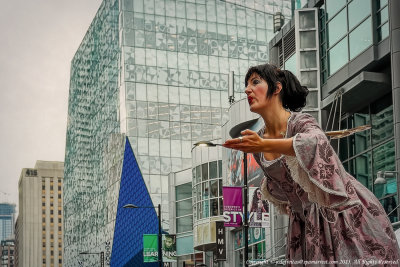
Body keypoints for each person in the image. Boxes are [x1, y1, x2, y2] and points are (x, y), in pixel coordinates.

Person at [223, 63, 400, 265]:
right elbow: (283, 190)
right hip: (303, 224)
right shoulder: (258, 142)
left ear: (277, 87)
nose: (247, 89)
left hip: (338, 213)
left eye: (255, 82)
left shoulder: (300, 122)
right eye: (246, 84)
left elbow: (316, 141)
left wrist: (264, 144)